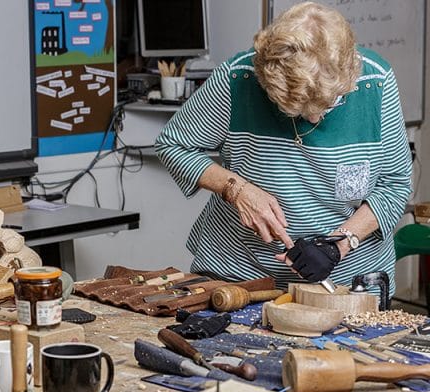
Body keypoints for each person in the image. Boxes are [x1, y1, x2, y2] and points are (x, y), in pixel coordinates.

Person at [155, 2, 412, 298]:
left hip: (346, 283)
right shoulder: (239, 77)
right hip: (239, 276)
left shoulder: (374, 83)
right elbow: (173, 144)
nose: (313, 119)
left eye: (325, 105)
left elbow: (394, 184)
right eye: (296, 108)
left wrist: (339, 244)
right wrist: (237, 190)